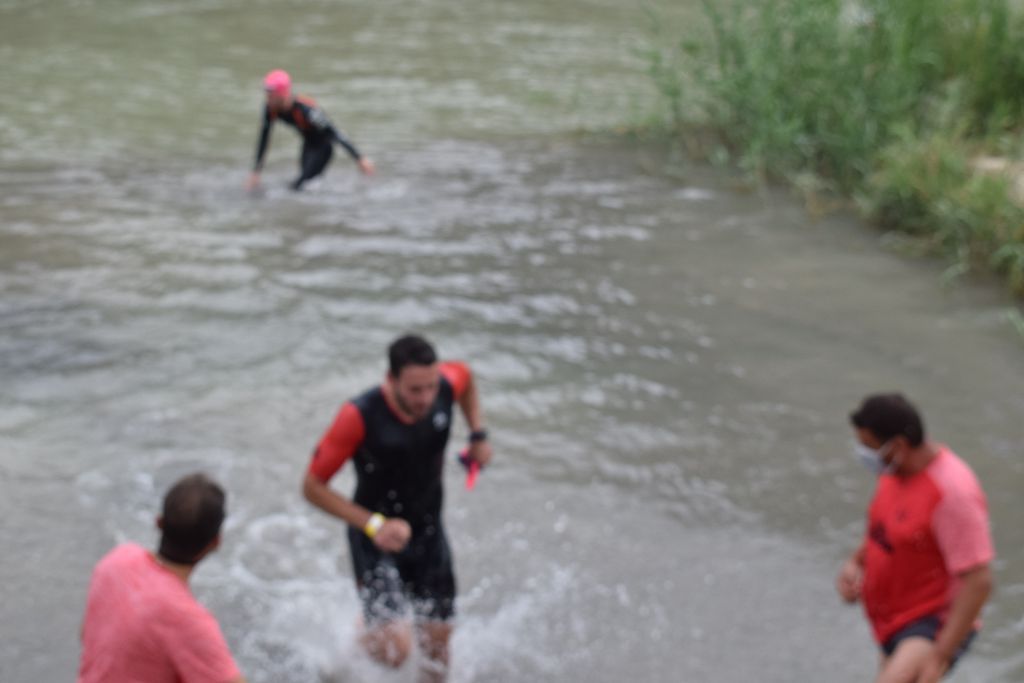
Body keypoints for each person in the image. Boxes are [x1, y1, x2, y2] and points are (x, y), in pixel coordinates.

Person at [302, 334, 492, 683]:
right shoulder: (358, 415)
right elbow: (312, 487)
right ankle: (354, 648)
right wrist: (375, 525)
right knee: (395, 651)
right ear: (390, 380)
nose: (426, 399)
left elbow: (466, 379)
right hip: (373, 538)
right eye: (415, 390)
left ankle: (376, 627)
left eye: (431, 387)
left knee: (436, 652)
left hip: (429, 531)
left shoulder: (447, 384)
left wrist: (478, 435)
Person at [836, 393, 994, 683]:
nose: (862, 454)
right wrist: (855, 563)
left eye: (868, 447)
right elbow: (884, 530)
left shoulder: (952, 493)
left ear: (897, 446)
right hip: (893, 620)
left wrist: (940, 656)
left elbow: (978, 581)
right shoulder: (894, 472)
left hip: (931, 623)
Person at [78, 473, 245, 683]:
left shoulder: (116, 561)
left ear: (159, 522)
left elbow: (86, 636)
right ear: (215, 542)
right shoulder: (189, 620)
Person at [246, 69, 375, 192]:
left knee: (300, 186)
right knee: (304, 184)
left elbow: (333, 132)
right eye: (266, 94)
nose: (267, 98)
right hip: (308, 145)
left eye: (270, 95)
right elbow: (264, 138)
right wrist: (256, 171)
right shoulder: (270, 108)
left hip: (324, 147)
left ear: (282, 94)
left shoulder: (306, 110)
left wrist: (359, 159)